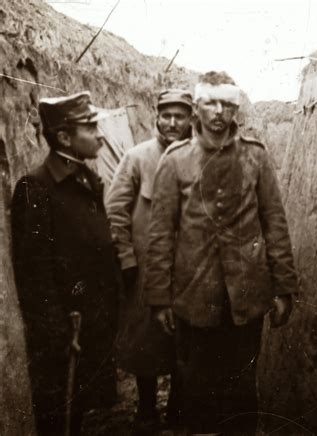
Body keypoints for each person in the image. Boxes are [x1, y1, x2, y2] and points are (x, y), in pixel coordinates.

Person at [144, 71, 298, 435]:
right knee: (197, 395)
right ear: (197, 107)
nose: (218, 112)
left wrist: (284, 287)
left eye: (226, 104)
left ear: (235, 108)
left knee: (241, 396)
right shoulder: (175, 160)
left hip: (246, 298)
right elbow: (161, 233)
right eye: (210, 103)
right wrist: (158, 298)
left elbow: (274, 222)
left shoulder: (255, 158)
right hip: (194, 298)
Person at [10, 91, 121, 436]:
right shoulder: (37, 187)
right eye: (90, 127)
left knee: (82, 414)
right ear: (63, 137)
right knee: (59, 417)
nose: (100, 134)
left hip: (91, 326)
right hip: (65, 336)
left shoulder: (87, 181)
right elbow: (34, 275)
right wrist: (59, 337)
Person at [105, 89, 193, 431]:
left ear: (191, 119)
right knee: (146, 339)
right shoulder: (137, 157)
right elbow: (115, 211)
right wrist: (126, 257)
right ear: (157, 117)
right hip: (145, 269)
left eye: (180, 116)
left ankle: (177, 408)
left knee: (184, 339)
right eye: (166, 115)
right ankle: (145, 409)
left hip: (187, 269)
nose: (172, 122)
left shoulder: (199, 157)